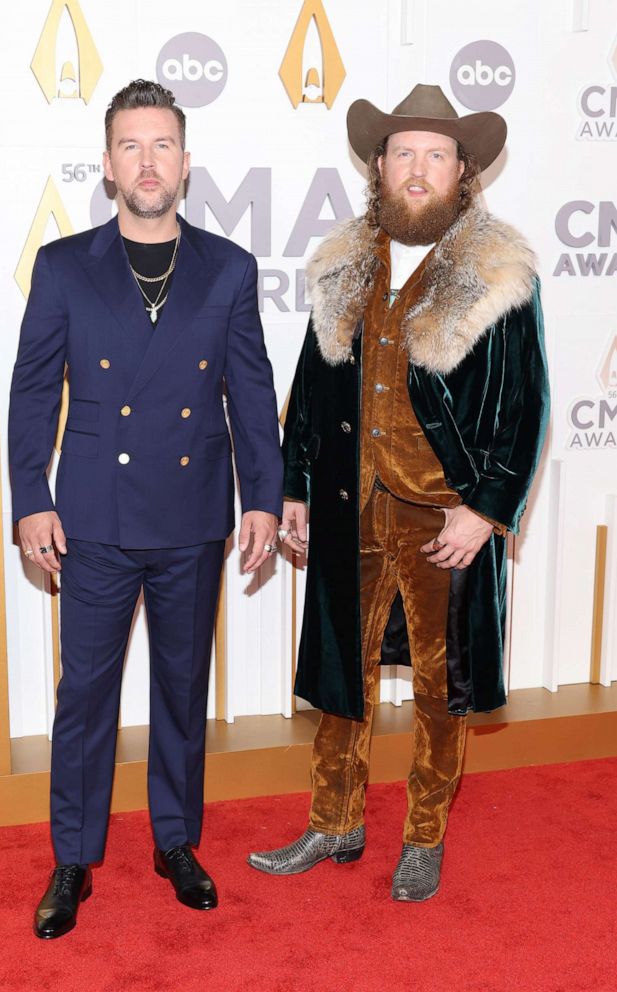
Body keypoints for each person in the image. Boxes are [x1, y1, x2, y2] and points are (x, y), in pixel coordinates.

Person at [248, 84, 549, 901]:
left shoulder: (499, 274)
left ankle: (423, 836)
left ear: (464, 171)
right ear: (378, 166)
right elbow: (309, 392)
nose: (417, 170)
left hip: (444, 516)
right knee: (339, 675)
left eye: (436, 156)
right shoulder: (342, 265)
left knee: (438, 688)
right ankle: (334, 822)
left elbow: (526, 405)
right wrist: (297, 488)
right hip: (350, 509)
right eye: (403, 153)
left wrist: (484, 509)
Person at [9, 79, 283, 938]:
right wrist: (30, 498)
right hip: (89, 520)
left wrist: (264, 501)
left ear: (186, 162)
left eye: (161, 144)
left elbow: (250, 390)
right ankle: (73, 858)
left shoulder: (228, 268)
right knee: (82, 697)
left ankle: (174, 842)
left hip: (192, 516)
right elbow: (29, 395)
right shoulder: (63, 266)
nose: (147, 161)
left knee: (178, 687)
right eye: (130, 146)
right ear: (106, 166)